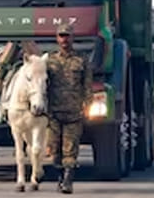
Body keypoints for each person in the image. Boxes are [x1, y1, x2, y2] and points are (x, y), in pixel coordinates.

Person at [46, 24, 91, 194]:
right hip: (54, 114)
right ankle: (60, 178)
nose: (64, 39)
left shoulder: (81, 60)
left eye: (67, 36)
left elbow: (87, 86)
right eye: (61, 36)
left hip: (74, 113)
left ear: (72, 38)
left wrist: (87, 104)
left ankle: (68, 181)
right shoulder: (50, 60)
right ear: (57, 39)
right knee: (54, 151)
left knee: (70, 150)